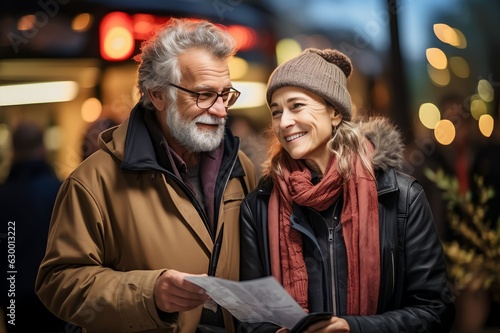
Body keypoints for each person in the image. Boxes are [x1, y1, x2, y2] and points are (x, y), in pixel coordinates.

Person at [36, 18, 257, 333]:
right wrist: (148, 293)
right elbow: (58, 283)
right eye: (204, 95)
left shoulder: (240, 167)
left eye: (225, 95)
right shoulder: (93, 181)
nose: (221, 110)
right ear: (157, 95)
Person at [238, 48, 455, 332]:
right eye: (276, 112)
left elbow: (436, 310)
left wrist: (354, 328)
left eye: (297, 106)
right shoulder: (259, 206)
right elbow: (250, 317)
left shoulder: (400, 197)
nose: (284, 122)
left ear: (335, 113)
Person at [0, 122, 66, 332]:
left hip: (13, 299)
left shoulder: (3, 196)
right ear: (43, 148)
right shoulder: (61, 190)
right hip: (58, 298)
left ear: (13, 152)